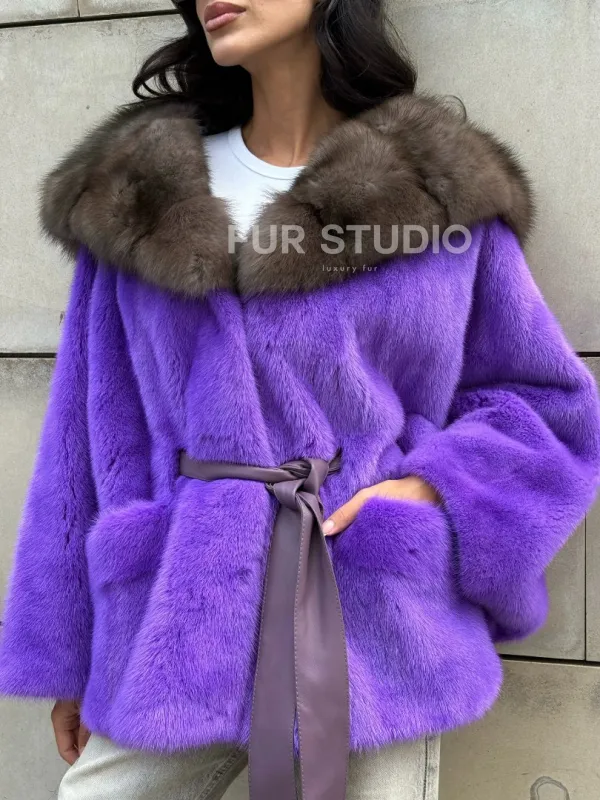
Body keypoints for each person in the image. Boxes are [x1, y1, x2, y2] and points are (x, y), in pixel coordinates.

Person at [1, 0, 599, 798]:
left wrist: (430, 491)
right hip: (178, 621)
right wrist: (71, 655)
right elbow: (81, 436)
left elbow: (546, 406)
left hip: (372, 625)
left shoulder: (435, 196)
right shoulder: (133, 198)